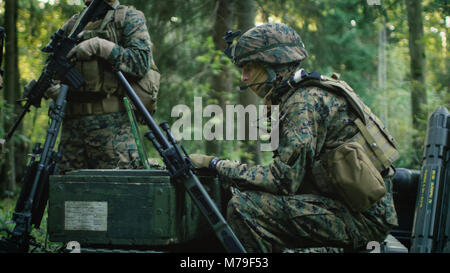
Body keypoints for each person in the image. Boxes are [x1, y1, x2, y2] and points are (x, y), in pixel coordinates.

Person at [190, 23, 399, 253]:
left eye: (249, 68)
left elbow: (282, 181)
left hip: (361, 221)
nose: (244, 78)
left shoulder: (302, 103)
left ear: (274, 65)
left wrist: (215, 164)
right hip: (347, 208)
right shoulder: (299, 95)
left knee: (243, 206)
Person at [46, 0, 159, 173]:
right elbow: (54, 66)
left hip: (113, 131)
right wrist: (52, 87)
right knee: (69, 195)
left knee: (116, 194)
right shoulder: (74, 24)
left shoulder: (127, 18)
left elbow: (141, 63)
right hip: (72, 133)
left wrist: (101, 46)